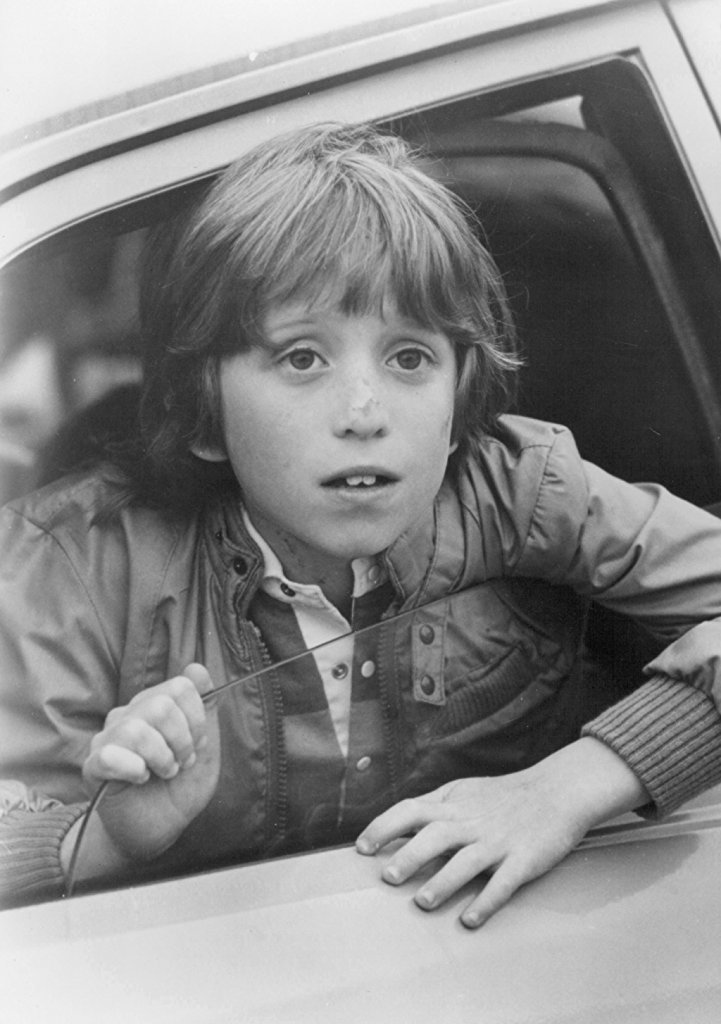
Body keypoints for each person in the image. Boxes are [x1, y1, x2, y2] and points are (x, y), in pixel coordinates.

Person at [1, 122, 720, 926]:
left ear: (457, 398)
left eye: (409, 357)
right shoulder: (68, 565)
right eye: (302, 358)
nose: (363, 413)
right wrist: (105, 840)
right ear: (202, 408)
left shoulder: (518, 492)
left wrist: (561, 789)